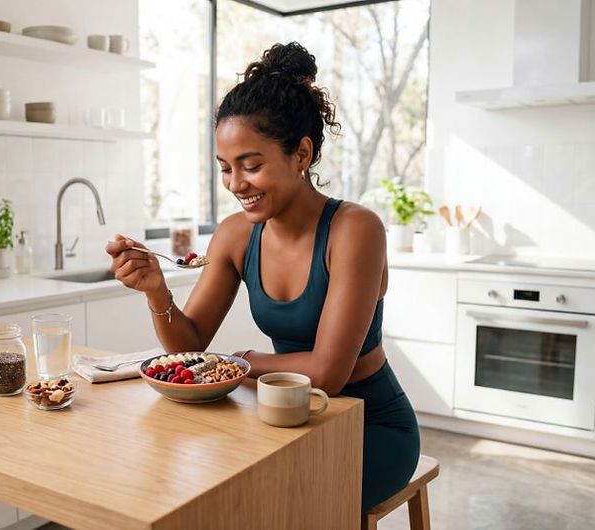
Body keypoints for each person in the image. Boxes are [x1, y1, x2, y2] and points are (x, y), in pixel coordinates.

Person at [106, 42, 420, 513]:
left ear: (301, 154)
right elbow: (187, 346)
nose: (236, 184)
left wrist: (240, 361)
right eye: (226, 169)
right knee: (203, 495)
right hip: (282, 417)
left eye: (251, 166)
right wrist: (158, 292)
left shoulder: (355, 230)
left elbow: (328, 376)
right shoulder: (236, 236)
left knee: (274, 507)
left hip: (369, 424)